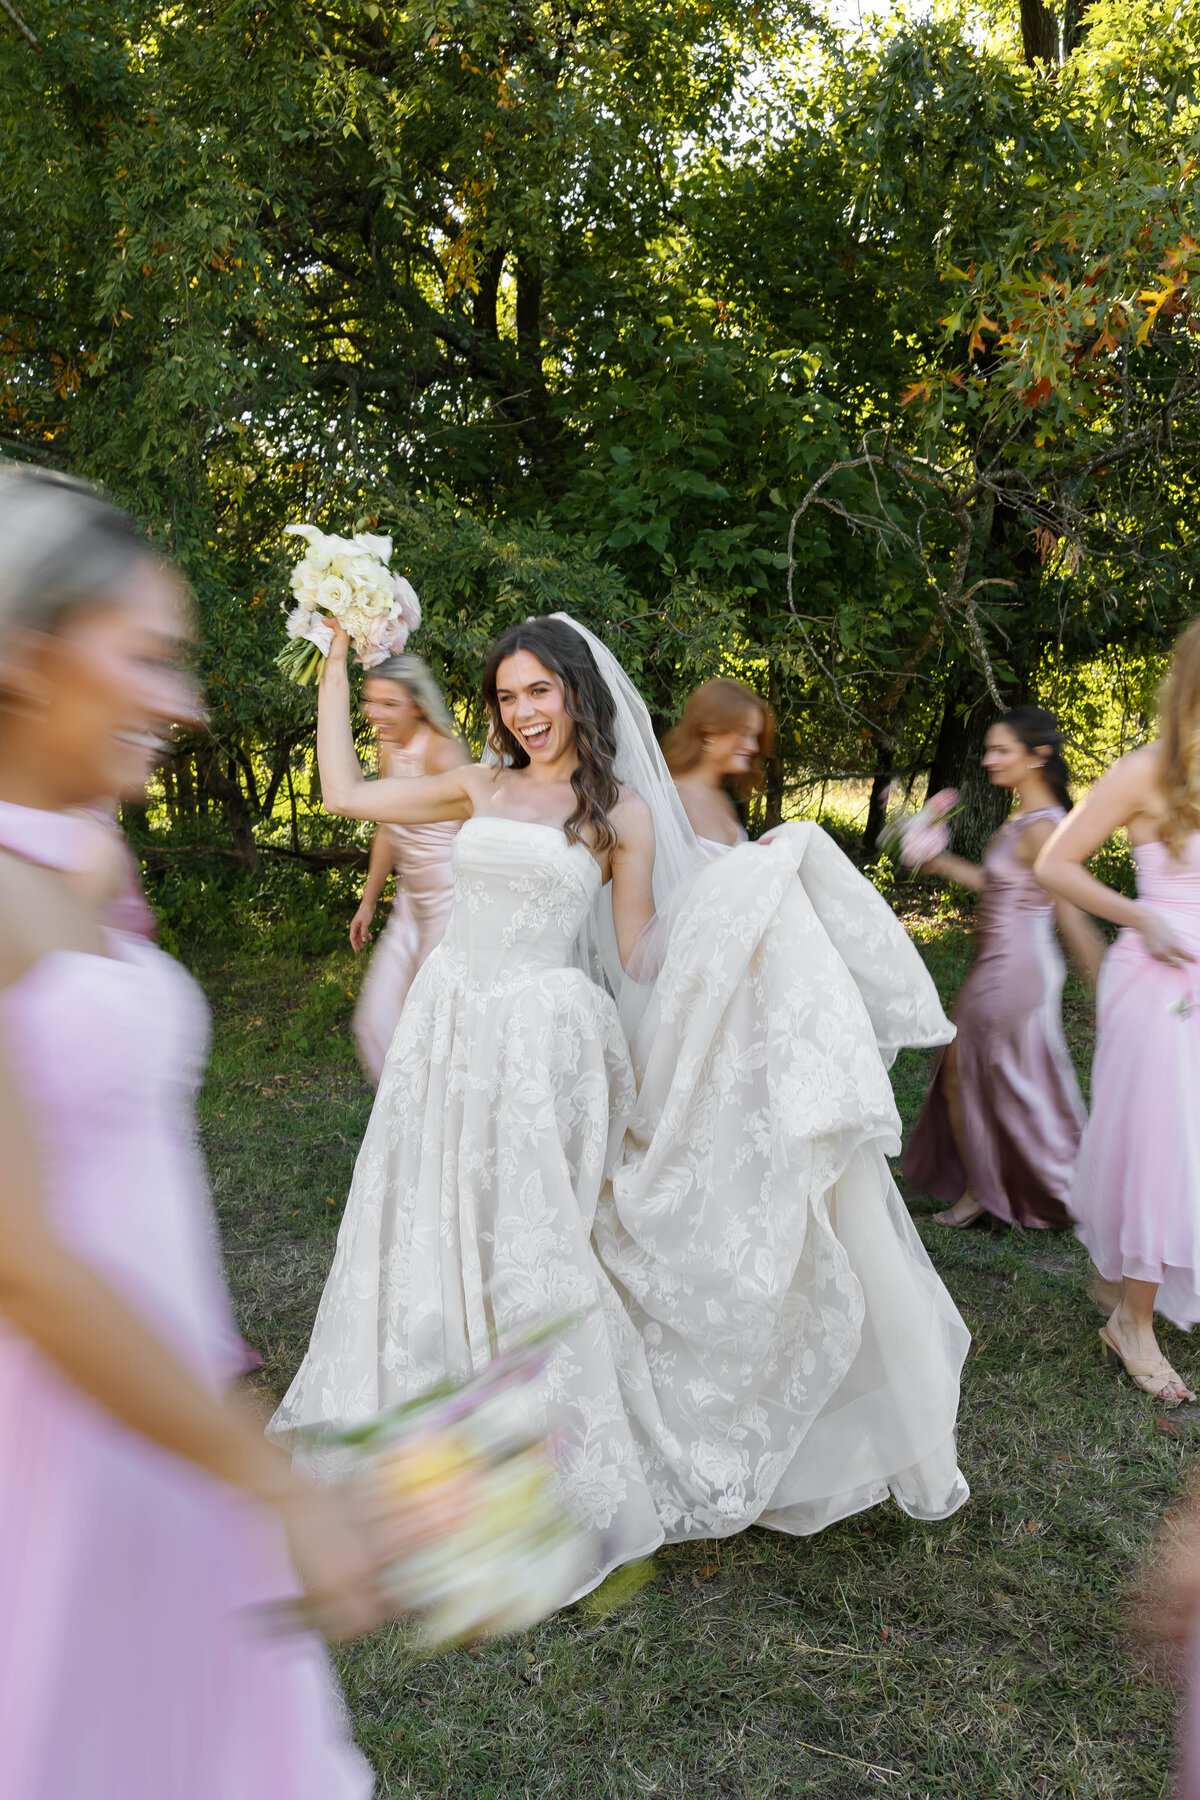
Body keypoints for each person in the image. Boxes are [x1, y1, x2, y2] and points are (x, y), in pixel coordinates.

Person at [273, 611, 971, 1583]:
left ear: (575, 694)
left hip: (548, 1042)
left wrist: (744, 912)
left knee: (533, 1234)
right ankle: (431, 1410)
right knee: (436, 1210)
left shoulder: (622, 813)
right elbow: (346, 792)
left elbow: (639, 949)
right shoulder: (481, 783)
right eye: (507, 697)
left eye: (539, 692)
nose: (523, 714)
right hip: (451, 1023)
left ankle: (536, 1455)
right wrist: (337, 661)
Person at [0, 469, 380, 1800]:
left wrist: (234, 1434)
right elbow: (26, 1262)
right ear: (33, 658)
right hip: (45, 1436)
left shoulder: (77, 851)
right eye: (150, 658)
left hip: (160, 1421)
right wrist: (274, 1487)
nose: (187, 704)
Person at [1037, 620, 1200, 1406]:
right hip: (1158, 977)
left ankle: (1123, 1285)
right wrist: (1143, 919)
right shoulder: (1144, 771)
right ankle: (1133, 1322)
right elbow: (1054, 863)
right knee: (1165, 1145)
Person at [903, 708, 1104, 1229]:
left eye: (1001, 750)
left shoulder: (1044, 829)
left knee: (983, 1074)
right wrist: (939, 861)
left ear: (1038, 757)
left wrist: (1103, 983)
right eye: (988, 749)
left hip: (1018, 967)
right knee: (971, 1072)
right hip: (999, 960)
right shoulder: (1021, 818)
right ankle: (992, 1186)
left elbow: (1068, 910)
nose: (988, 759)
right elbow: (1002, 887)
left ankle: (1012, 1191)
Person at [348, 655, 468, 1084]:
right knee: (375, 1024)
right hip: (410, 909)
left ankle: (442, 1135)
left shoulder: (442, 752)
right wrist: (367, 903)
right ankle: (404, 1129)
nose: (375, 714)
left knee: (438, 1034)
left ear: (416, 705)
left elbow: (481, 835)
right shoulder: (388, 747)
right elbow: (388, 828)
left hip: (451, 910)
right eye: (370, 702)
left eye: (389, 704)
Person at [662, 676, 774, 853]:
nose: (753, 747)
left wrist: (752, 855)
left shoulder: (722, 798)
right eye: (744, 734)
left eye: (755, 736)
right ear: (709, 730)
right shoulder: (671, 799)